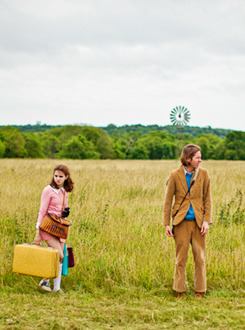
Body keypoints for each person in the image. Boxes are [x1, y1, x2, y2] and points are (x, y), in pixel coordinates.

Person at [163, 144, 212, 298]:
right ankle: (179, 290)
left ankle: (200, 291)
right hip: (181, 223)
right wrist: (166, 224)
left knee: (200, 258)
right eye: (198, 157)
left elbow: (208, 200)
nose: (200, 160)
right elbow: (167, 201)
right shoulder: (174, 175)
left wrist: (206, 221)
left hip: (199, 224)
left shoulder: (203, 174)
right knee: (180, 259)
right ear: (189, 159)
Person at [34, 164, 74, 293]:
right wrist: (37, 232)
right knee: (60, 255)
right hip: (47, 226)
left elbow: (63, 209)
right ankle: (45, 280)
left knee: (58, 257)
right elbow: (42, 211)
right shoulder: (48, 190)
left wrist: (65, 213)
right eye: (56, 176)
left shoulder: (65, 191)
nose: (57, 179)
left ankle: (56, 288)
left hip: (60, 227)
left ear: (66, 177)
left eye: (61, 176)